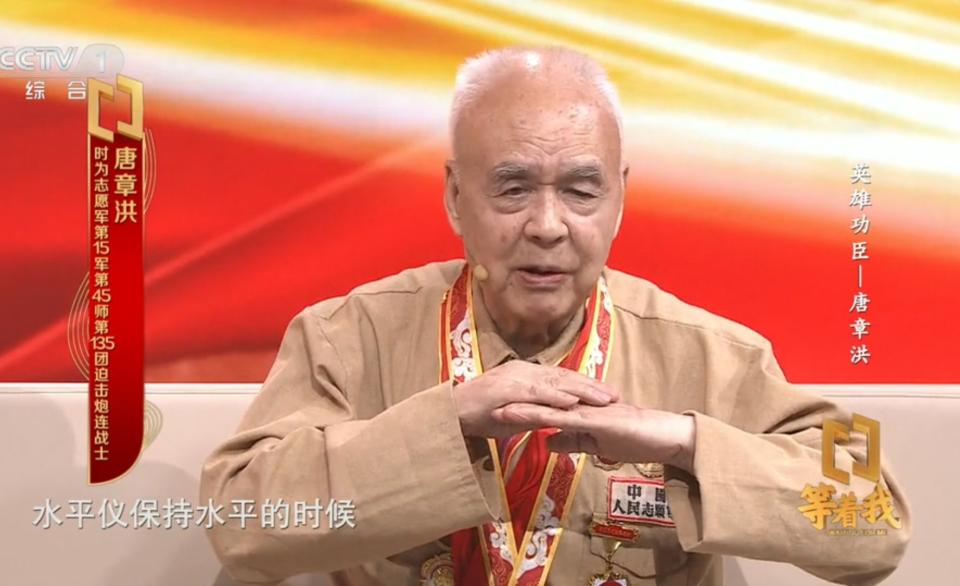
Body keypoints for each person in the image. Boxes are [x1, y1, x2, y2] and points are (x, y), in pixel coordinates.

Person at [200, 46, 910, 585]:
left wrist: (685, 440)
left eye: (580, 191)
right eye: (512, 189)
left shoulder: (715, 352)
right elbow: (236, 520)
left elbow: (876, 515)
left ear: (620, 199)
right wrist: (446, 422)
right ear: (455, 197)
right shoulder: (347, 336)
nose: (547, 225)